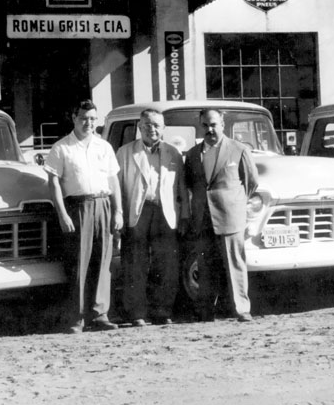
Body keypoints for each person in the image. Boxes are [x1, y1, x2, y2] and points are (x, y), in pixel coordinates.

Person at [44, 99, 123, 333]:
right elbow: (54, 183)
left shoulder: (104, 147)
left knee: (103, 261)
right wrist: (62, 214)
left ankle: (100, 315)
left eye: (92, 119)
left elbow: (113, 181)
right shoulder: (61, 148)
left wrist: (117, 210)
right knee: (79, 263)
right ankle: (76, 318)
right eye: (83, 118)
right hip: (78, 208)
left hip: (103, 205)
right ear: (74, 118)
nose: (88, 123)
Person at [184, 108, 259, 323]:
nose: (210, 129)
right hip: (203, 217)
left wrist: (234, 204)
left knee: (234, 263)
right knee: (205, 264)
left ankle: (241, 309)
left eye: (213, 124)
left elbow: (251, 182)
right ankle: (206, 311)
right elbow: (191, 184)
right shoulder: (192, 154)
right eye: (205, 125)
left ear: (222, 124)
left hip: (229, 216)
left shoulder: (239, 149)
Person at [116, 109, 187, 326]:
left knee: (166, 264)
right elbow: (117, 187)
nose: (152, 129)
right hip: (138, 212)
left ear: (164, 128)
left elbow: (181, 188)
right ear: (139, 127)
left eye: (156, 125)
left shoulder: (173, 153)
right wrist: (119, 213)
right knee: (135, 264)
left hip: (165, 213)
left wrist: (184, 215)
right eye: (147, 125)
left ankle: (162, 311)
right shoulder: (125, 152)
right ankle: (137, 313)